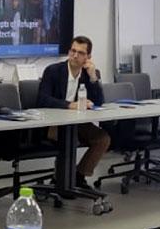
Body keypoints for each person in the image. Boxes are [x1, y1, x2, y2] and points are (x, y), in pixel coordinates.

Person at [38, 36, 110, 188]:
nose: (75, 55)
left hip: (77, 123)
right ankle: (62, 180)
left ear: (88, 57)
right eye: (73, 51)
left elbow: (99, 102)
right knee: (68, 140)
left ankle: (78, 176)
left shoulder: (90, 74)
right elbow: (42, 100)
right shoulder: (53, 71)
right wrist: (70, 105)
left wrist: (93, 78)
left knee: (102, 139)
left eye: (80, 53)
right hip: (54, 123)